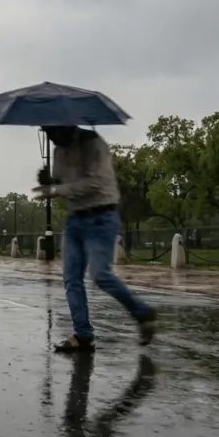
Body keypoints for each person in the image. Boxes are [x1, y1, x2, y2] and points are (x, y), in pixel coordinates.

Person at [33, 125, 156, 352]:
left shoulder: (93, 143)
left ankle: (142, 312)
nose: (49, 136)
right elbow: (63, 184)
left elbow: (94, 183)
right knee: (71, 279)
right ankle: (83, 335)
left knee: (100, 275)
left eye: (52, 130)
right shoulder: (59, 151)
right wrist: (50, 181)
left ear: (65, 125)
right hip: (74, 220)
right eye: (46, 132)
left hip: (101, 216)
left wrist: (57, 189)